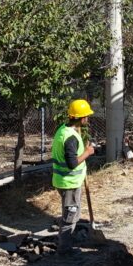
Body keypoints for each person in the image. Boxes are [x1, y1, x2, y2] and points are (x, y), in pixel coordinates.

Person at [51, 99, 95, 253]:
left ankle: (65, 241)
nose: (88, 119)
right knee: (70, 217)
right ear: (82, 118)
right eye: (87, 116)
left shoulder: (63, 129)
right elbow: (72, 163)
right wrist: (88, 153)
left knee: (71, 213)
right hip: (69, 183)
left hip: (63, 180)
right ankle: (65, 249)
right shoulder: (71, 138)